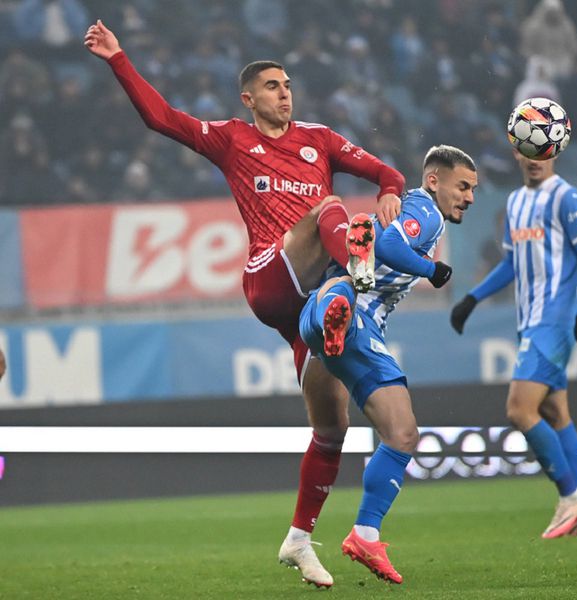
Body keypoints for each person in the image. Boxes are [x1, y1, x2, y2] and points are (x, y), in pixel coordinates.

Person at [84, 19, 405, 588]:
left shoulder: (321, 139)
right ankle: (360, 279)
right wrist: (118, 58)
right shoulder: (232, 138)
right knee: (329, 208)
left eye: (289, 85)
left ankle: (299, 540)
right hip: (270, 273)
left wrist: (389, 193)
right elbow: (161, 118)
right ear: (249, 97)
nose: (286, 93)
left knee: (332, 429)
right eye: (275, 86)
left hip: (309, 307)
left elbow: (386, 170)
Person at [298, 145, 477, 584]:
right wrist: (431, 269)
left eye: (473, 189)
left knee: (400, 434)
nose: (469, 197)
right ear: (434, 180)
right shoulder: (426, 211)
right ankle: (342, 301)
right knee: (350, 290)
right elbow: (394, 242)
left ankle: (331, 314)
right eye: (463, 186)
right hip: (361, 322)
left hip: (320, 324)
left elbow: (387, 238)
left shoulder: (414, 207)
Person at [450, 150, 577, 539]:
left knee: (520, 409)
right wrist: (473, 298)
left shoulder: (566, 197)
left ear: (556, 151)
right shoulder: (516, 202)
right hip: (528, 322)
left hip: (555, 322)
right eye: (530, 150)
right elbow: (511, 263)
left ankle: (570, 497)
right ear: (517, 152)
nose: (537, 158)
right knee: (555, 411)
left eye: (545, 151)